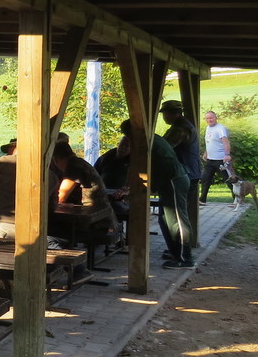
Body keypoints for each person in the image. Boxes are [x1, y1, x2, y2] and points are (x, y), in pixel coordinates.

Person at [117, 120, 194, 269]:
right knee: (165, 220)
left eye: (127, 134)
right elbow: (135, 165)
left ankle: (185, 258)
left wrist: (128, 188)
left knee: (177, 220)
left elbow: (136, 166)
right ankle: (176, 253)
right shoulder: (148, 138)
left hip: (173, 180)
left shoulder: (145, 141)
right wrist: (128, 187)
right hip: (169, 181)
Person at [51, 142, 119, 235]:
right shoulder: (79, 163)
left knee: (53, 231)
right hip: (103, 217)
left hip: (98, 223)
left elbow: (60, 197)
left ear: (56, 159)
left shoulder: (73, 166)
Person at [160, 100, 202, 203]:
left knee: (175, 208)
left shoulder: (181, 129)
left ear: (175, 114)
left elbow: (164, 147)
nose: (164, 117)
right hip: (189, 172)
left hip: (185, 173)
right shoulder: (181, 126)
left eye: (165, 114)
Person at [199, 110, 233, 205]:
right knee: (205, 179)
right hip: (210, 160)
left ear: (215, 118)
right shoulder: (208, 128)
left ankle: (237, 199)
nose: (209, 120)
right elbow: (209, 142)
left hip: (221, 159)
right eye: (207, 118)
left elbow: (226, 142)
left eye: (211, 118)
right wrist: (206, 153)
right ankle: (202, 200)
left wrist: (227, 155)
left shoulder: (220, 128)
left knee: (229, 180)